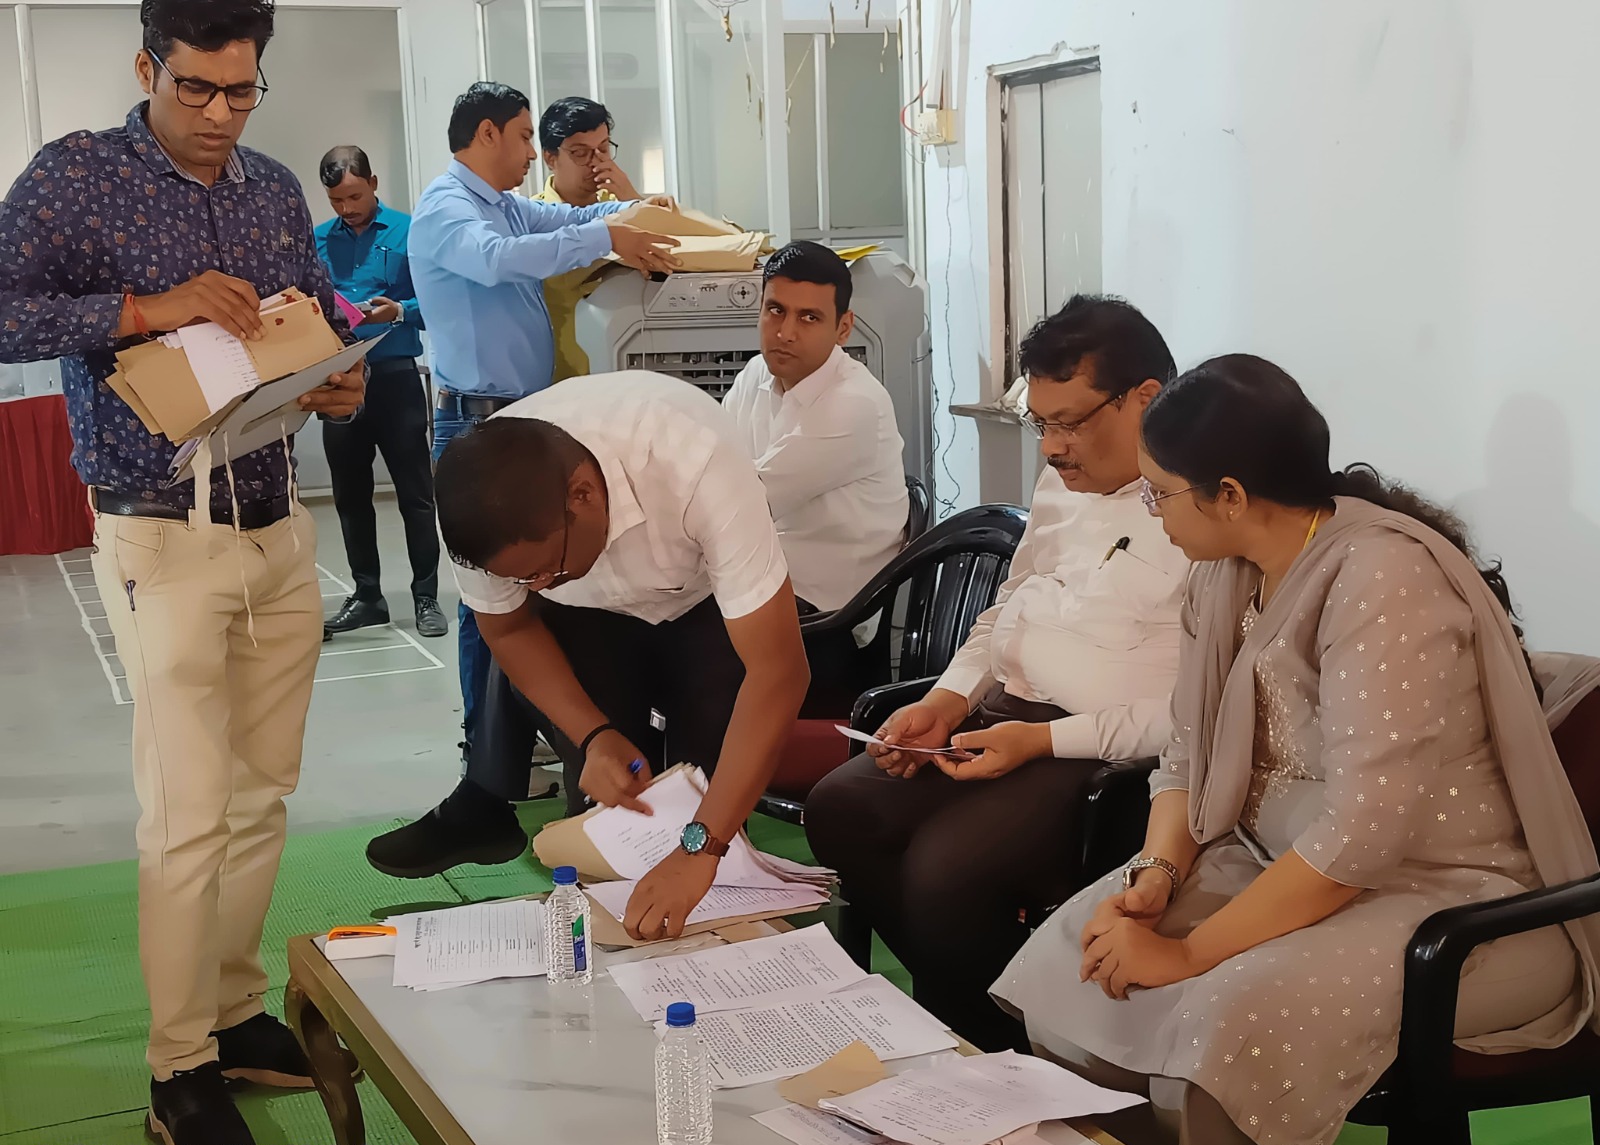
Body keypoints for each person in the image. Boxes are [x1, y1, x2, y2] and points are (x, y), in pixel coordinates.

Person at [992, 354, 1600, 1145]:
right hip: (1276, 862)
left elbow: (1363, 834)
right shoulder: (1224, 570)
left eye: (1159, 495)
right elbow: (1186, 755)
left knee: (1234, 1028)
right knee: (1079, 963)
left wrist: (1188, 951)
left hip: (1449, 900)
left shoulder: (1384, 579)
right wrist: (1156, 875)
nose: (1152, 515)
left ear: (1230, 496)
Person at [0, 0, 364, 1145]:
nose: (218, 115)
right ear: (146, 67)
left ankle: (233, 1008)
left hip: (277, 523)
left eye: (241, 90)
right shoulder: (78, 176)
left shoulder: (272, 190)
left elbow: (316, 312)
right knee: (186, 812)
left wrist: (335, 376)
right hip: (158, 534)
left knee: (262, 796)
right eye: (195, 88)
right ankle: (176, 1069)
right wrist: (144, 310)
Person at [803, 295, 1190, 1052]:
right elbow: (1007, 606)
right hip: (1005, 719)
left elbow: (1191, 712)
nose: (1052, 449)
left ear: (1145, 398)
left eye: (1069, 423)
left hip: (1103, 762)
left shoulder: (1197, 511)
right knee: (842, 808)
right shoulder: (1061, 486)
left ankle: (1016, 1046)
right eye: (1040, 423)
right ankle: (977, 1024)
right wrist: (948, 700)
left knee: (947, 872)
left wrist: (1038, 743)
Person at [366, 372, 811, 940]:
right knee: (606, 812)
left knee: (708, 792)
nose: (535, 583)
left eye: (544, 567)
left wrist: (702, 846)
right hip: (584, 616)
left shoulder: (695, 459)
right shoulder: (474, 506)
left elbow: (778, 672)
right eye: (520, 577)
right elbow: (509, 628)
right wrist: (593, 736)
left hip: (706, 603)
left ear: (583, 495)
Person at [408, 81, 682, 763]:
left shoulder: (503, 206)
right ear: (488, 134)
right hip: (477, 426)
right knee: (489, 600)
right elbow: (496, 260)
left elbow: (560, 222)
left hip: (522, 420)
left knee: (535, 585)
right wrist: (607, 233)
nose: (533, 152)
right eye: (526, 137)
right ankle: (486, 753)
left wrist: (635, 211)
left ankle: (529, 737)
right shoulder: (447, 208)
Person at [722, 241, 909, 709]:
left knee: (654, 634)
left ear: (843, 328)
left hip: (826, 617)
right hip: (764, 584)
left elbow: (740, 504)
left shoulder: (854, 404)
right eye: (775, 310)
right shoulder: (754, 376)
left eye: (809, 317)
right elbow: (711, 470)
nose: (785, 332)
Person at [314, 144, 446, 640]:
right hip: (338, 381)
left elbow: (440, 302)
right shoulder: (316, 240)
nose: (346, 208)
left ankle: (426, 596)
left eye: (354, 196)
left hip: (395, 379)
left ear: (372, 183)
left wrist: (400, 311)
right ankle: (368, 596)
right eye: (336, 200)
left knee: (416, 494)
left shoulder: (411, 231)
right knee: (350, 496)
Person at [534, 95, 643, 382]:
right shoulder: (530, 220)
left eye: (603, 149)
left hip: (625, 377)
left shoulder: (626, 210)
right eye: (581, 153)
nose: (595, 163)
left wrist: (633, 201)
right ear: (550, 158)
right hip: (557, 381)